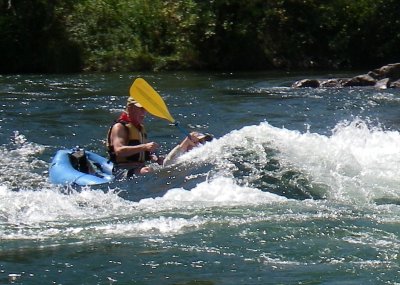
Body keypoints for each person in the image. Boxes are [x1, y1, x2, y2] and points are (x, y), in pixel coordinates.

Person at [107, 97, 161, 178]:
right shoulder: (119, 127)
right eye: (140, 108)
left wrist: (156, 158)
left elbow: (143, 153)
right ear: (130, 108)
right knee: (147, 171)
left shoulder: (139, 128)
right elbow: (119, 150)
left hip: (139, 167)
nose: (143, 112)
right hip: (122, 170)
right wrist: (145, 147)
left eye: (145, 108)